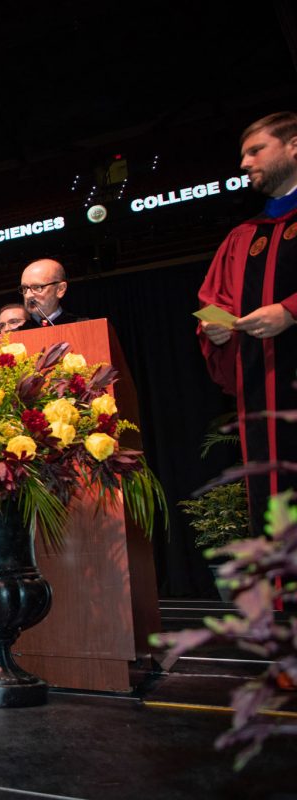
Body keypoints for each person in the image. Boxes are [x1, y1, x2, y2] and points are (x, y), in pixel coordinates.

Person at [197, 111, 297, 535]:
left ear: (293, 146)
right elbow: (211, 300)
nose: (244, 163)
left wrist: (290, 310)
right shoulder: (243, 236)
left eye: (256, 150)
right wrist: (215, 329)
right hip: (262, 391)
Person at [19, 259, 85, 325]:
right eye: (24, 288)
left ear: (60, 289)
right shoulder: (16, 333)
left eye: (37, 287)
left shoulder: (82, 326)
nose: (28, 295)